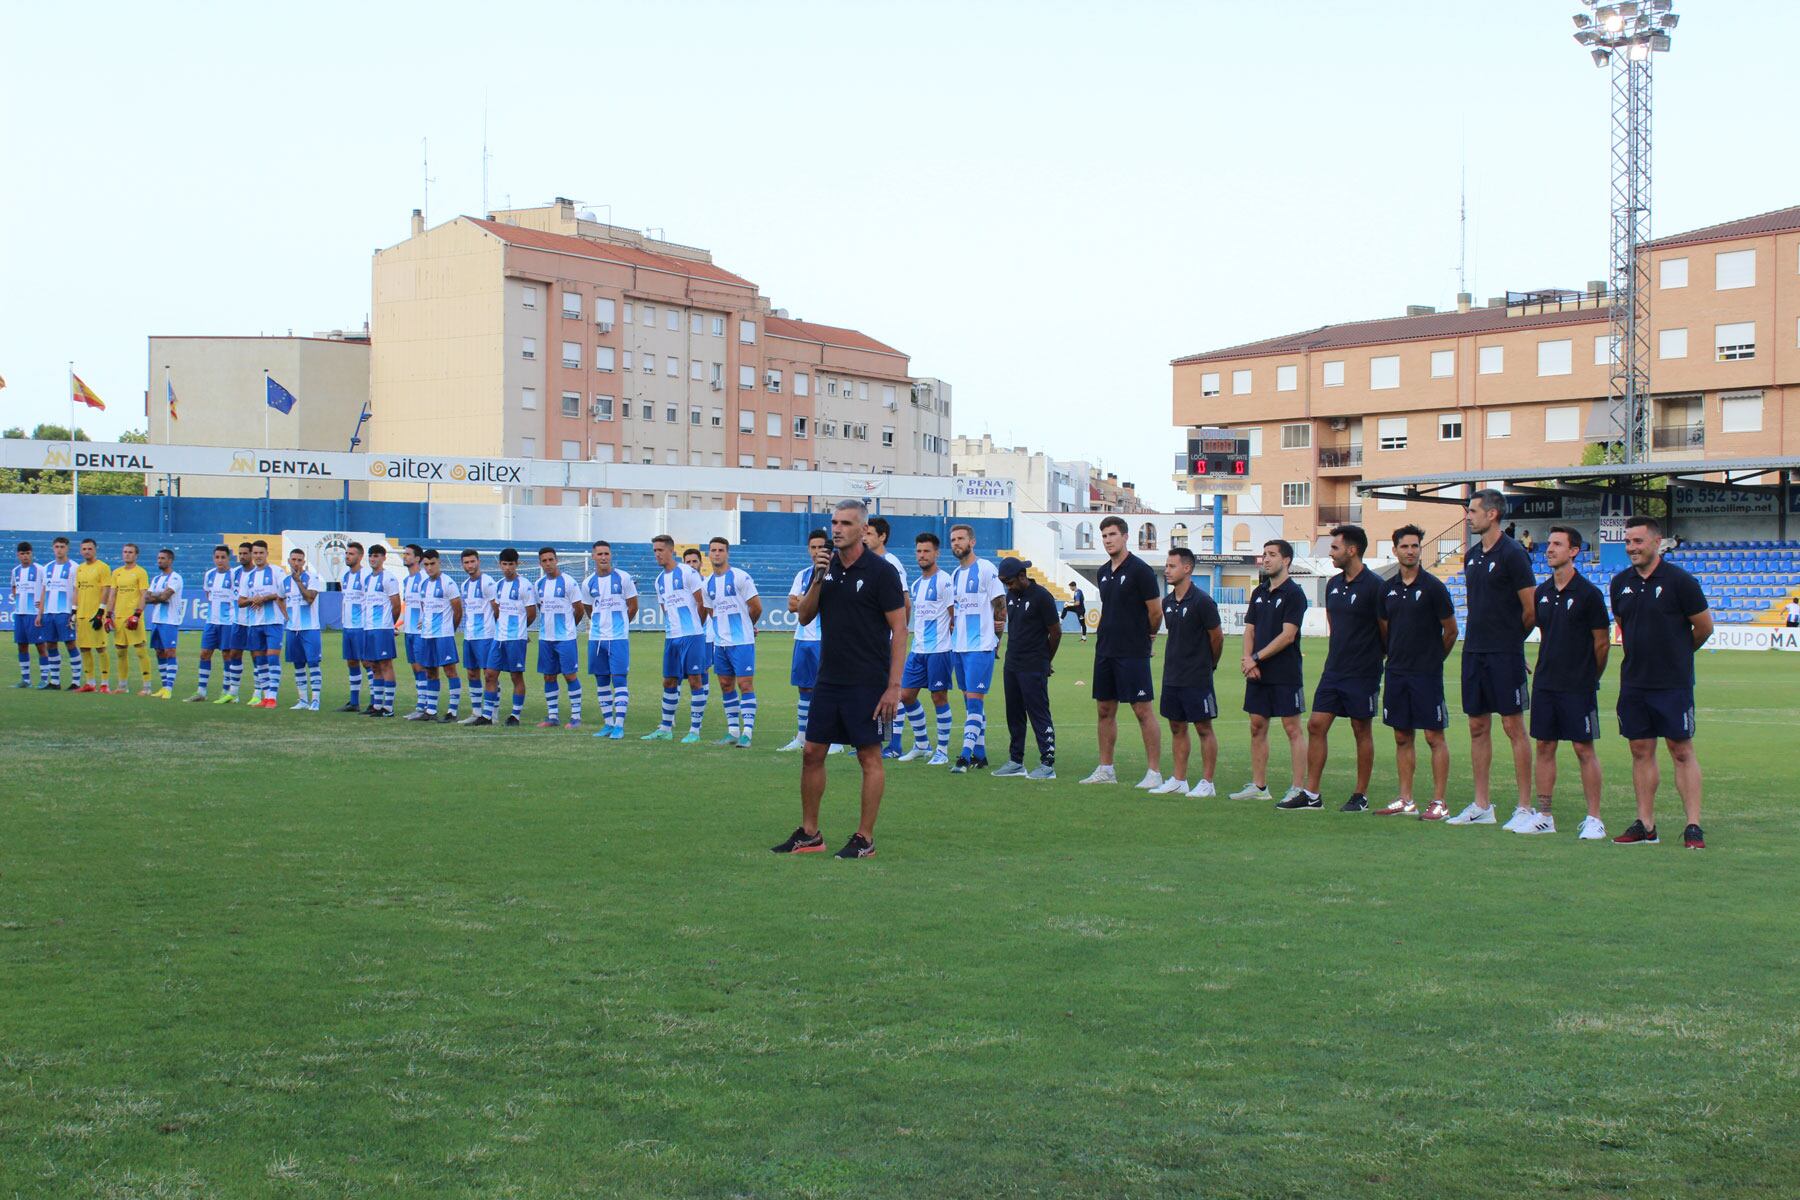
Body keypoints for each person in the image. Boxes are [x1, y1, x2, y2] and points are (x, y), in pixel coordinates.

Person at [772, 498, 906, 859]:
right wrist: (818, 576)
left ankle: (865, 838)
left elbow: (900, 629)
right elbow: (804, 618)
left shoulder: (882, 572)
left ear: (863, 530)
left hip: (868, 681)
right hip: (829, 678)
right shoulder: (823, 570)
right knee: (812, 752)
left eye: (845, 523)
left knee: (868, 757)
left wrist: (894, 687)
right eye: (834, 522)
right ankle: (810, 834)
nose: (837, 529)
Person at [1610, 515, 1712, 849]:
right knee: (1640, 749)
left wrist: (1679, 655)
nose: (1631, 548)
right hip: (1635, 682)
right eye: (1627, 542)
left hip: (1672, 683)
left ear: (1657, 542)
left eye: (1638, 541)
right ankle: (1646, 825)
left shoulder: (1681, 582)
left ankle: (1693, 826)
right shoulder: (1619, 582)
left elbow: (1703, 627)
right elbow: (1623, 623)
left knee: (1680, 750)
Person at [1446, 489, 1537, 827]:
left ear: (1493, 514)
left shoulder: (1513, 553)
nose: (1468, 516)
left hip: (1504, 654)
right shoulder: (1472, 555)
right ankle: (1482, 805)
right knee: (1476, 725)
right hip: (1474, 652)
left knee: (1513, 726)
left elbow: (1531, 610)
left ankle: (1525, 807)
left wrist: (1512, 645)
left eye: (1472, 511)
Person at [1292, 524, 1384, 812]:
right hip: (1334, 670)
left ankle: (1360, 795)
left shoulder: (1375, 586)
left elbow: (1386, 632)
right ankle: (1312, 794)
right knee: (1316, 724)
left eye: (1335, 547)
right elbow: (1334, 625)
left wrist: (1373, 660)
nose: (1331, 553)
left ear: (1352, 550)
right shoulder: (1333, 584)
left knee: (1361, 728)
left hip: (1364, 671)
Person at [1528, 526, 1610, 838]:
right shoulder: (1542, 592)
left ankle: (1594, 818)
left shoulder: (1589, 594)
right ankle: (1544, 815)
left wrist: (1589, 677)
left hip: (1578, 685)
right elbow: (1546, 635)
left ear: (1574, 551)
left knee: (1582, 748)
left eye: (1557, 544)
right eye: (1549, 543)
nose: (1549, 549)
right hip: (1546, 683)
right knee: (1545, 746)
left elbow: (1601, 644)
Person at [1374, 525, 1458, 819]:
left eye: (1415, 546)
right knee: (1401, 736)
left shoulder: (1434, 587)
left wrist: (1433, 660)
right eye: (1405, 546)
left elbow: (1451, 631)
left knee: (1434, 737)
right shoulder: (1387, 589)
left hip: (1426, 675)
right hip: (1397, 673)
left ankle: (1439, 801)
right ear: (1395, 550)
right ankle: (1406, 799)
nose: (1410, 551)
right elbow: (1385, 631)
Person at [1080, 515, 1164, 788]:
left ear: (1125, 536)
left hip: (1133, 651)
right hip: (1106, 650)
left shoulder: (1141, 570)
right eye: (1104, 536)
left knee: (1142, 710)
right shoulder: (1103, 572)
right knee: (1104, 709)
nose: (1108, 540)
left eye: (1112, 534)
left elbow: (1155, 611)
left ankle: (1154, 772)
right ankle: (1106, 769)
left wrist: (1148, 638)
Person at [1230, 539, 1308, 802]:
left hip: (1285, 672)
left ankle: (1298, 788)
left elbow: (1288, 636)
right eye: (1264, 554)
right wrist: (1247, 659)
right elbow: (1250, 628)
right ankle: (1259, 786)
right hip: (1257, 672)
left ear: (1286, 560)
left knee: (1292, 728)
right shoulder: (1260, 592)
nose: (1266, 559)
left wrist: (1255, 658)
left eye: (1272, 554)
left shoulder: (1294, 594)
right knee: (1257, 726)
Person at [1151, 547, 1223, 797]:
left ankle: (1207, 783)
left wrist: (1208, 665)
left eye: (1172, 566)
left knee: (1203, 728)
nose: (1167, 570)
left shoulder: (1203, 601)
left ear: (1187, 568)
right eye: (1167, 566)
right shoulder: (1167, 602)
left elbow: (1216, 638)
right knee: (1176, 726)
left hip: (1197, 676)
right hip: (1173, 675)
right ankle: (1179, 779)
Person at [994, 557, 1061, 780]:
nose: (1008, 587)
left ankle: (1047, 763)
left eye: (1010, 582)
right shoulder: (1011, 596)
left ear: (1022, 576)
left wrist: (1045, 660)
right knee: (1014, 713)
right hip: (1012, 663)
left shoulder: (1042, 597)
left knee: (1038, 713)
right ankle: (1016, 761)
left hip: (1034, 664)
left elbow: (1055, 632)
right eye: (1004, 583)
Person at [946, 523, 1005, 773]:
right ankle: (980, 755)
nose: (956, 543)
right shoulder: (955, 575)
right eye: (953, 539)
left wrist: (996, 641)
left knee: (974, 702)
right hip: (959, 648)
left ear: (972, 542)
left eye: (961, 538)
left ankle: (964, 756)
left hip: (980, 647)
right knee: (970, 702)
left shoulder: (986, 569)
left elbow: (1001, 607)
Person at [896, 531, 956, 764]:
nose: (922, 555)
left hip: (939, 651)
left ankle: (942, 750)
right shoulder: (916, 583)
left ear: (936, 553)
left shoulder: (945, 580)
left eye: (926, 551)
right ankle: (922, 744)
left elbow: (955, 617)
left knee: (939, 697)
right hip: (918, 650)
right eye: (919, 551)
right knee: (906, 695)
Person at [644, 535, 709, 742]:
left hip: (692, 636)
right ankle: (665, 728)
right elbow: (665, 609)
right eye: (654, 550)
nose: (657, 554)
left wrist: (694, 628)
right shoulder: (658, 580)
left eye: (660, 550)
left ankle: (694, 731)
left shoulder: (688, 573)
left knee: (695, 680)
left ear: (671, 551)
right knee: (669, 680)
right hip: (672, 637)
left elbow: (703, 603)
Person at [704, 538, 763, 747]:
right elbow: (711, 612)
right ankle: (732, 731)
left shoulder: (740, 577)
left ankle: (747, 732)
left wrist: (748, 625)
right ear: (709, 554)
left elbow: (756, 607)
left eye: (721, 550)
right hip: (720, 644)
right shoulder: (707, 583)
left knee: (745, 684)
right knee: (725, 684)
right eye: (713, 550)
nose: (717, 554)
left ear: (727, 553)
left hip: (742, 643)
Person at [780, 529, 831, 752]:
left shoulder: (834, 574)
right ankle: (802, 737)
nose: (817, 551)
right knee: (804, 689)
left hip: (825, 640)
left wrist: (804, 600)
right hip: (802, 638)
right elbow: (791, 605)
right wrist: (807, 601)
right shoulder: (802, 575)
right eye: (813, 547)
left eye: (821, 547)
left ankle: (834, 740)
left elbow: (825, 604)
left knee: (827, 689)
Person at [583, 540, 638, 738]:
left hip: (618, 639)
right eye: (600, 554)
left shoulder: (624, 578)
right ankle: (608, 723)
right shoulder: (588, 583)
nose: (604, 557)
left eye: (606, 553)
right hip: (596, 639)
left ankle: (619, 726)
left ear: (611, 555)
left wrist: (621, 625)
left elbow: (633, 606)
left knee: (620, 679)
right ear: (593, 557)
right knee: (602, 680)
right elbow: (589, 608)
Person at [534, 547, 586, 729]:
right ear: (540, 563)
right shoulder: (539, 584)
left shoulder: (569, 582)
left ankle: (576, 717)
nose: (548, 563)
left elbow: (579, 610)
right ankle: (553, 716)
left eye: (550, 560)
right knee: (548, 676)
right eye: (544, 561)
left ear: (556, 560)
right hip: (545, 638)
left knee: (569, 675)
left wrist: (569, 628)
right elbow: (541, 608)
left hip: (565, 639)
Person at [485, 548, 535, 726]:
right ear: (499, 565)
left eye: (511, 564)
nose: (507, 568)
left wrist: (520, 631)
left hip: (516, 639)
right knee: (490, 674)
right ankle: (487, 715)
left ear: (517, 564)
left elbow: (531, 614)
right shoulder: (498, 585)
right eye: (504, 564)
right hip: (498, 638)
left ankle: (515, 715)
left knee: (516, 676)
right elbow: (498, 611)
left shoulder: (525, 585)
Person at [236, 540, 285, 709]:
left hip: (273, 622)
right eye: (255, 553)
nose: (257, 556)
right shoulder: (248, 576)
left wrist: (263, 598)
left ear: (267, 553)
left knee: (272, 658)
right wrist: (252, 599)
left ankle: (272, 697)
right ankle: (265, 696)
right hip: (254, 623)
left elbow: (282, 593)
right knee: (259, 661)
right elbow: (240, 601)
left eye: (260, 553)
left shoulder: (277, 572)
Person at [106, 542, 155, 696]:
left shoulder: (140, 572)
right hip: (119, 618)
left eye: (130, 552)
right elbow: (112, 595)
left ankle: (147, 687)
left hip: (133, 617)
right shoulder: (117, 573)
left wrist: (137, 614)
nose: (127, 554)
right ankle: (122, 685)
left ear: (136, 555)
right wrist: (108, 615)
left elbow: (144, 595)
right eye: (125, 552)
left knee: (140, 651)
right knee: (120, 652)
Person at [456, 550, 498, 726]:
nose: (469, 565)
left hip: (486, 636)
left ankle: (492, 714)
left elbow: (497, 608)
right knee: (472, 673)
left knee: (490, 675)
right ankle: (476, 712)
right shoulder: (465, 585)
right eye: (466, 562)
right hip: (470, 635)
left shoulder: (487, 582)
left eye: (472, 561)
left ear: (479, 562)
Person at [189, 546, 236, 702]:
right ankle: (201, 692)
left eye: (223, 557)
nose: (220, 560)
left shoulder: (234, 574)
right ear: (213, 558)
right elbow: (208, 595)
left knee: (226, 655)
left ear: (228, 558)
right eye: (217, 557)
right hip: (211, 621)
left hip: (228, 622)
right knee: (204, 653)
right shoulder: (209, 574)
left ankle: (226, 691)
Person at [362, 544, 403, 717]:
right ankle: (378, 706)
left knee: (386, 665)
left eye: (377, 556)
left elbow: (396, 605)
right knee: (374, 665)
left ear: (384, 558)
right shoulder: (367, 579)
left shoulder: (389, 578)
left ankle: (388, 707)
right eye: (371, 556)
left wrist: (389, 626)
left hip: (382, 629)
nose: (373, 559)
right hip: (369, 627)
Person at [280, 548, 323, 711]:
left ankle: (316, 700)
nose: (296, 563)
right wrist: (286, 616)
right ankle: (303, 699)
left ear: (304, 562)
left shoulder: (311, 578)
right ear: (289, 561)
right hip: (292, 629)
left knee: (313, 663)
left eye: (299, 560)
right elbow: (279, 598)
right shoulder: (284, 581)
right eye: (293, 560)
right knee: (298, 665)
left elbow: (310, 598)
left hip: (310, 628)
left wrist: (298, 581)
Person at [73, 537, 113, 693]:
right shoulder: (80, 568)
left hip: (96, 614)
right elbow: (77, 590)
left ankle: (104, 684)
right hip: (82, 614)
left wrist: (101, 611)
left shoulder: (103, 567)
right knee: (84, 648)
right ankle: (90, 683)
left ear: (95, 550)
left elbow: (106, 589)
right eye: (84, 549)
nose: (87, 551)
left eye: (89, 549)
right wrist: (73, 611)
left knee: (100, 648)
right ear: (81, 551)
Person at [142, 548, 183, 699]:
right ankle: (163, 685)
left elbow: (166, 597)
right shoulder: (156, 579)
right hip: (156, 620)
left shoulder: (176, 578)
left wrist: (156, 596)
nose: (159, 561)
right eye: (158, 558)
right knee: (159, 652)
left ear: (170, 560)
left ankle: (169, 688)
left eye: (163, 558)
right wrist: (157, 596)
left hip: (170, 621)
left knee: (170, 652)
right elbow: (146, 598)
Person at [334, 543, 369, 712]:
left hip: (361, 626)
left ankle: (374, 701)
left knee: (368, 663)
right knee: (351, 662)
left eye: (351, 554)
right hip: (347, 627)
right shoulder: (345, 576)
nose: (347, 556)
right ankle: (354, 702)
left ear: (360, 556)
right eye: (346, 553)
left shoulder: (366, 575)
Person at [42, 536, 79, 689]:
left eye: (62, 546)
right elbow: (44, 590)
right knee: (50, 644)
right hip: (49, 612)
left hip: (65, 612)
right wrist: (40, 613)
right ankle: (55, 681)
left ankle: (76, 681)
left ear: (67, 548)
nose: (59, 549)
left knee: (70, 643)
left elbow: (77, 590)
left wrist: (74, 611)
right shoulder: (47, 568)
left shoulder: (74, 567)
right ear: (53, 548)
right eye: (56, 546)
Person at [11, 542, 48, 689]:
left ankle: (44, 679)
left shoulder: (40, 569)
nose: (25, 556)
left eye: (27, 553)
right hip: (20, 614)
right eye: (22, 554)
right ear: (18, 555)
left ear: (31, 554)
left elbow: (47, 587)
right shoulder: (16, 571)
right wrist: (17, 598)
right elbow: (14, 586)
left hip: (34, 614)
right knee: (22, 646)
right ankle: (26, 680)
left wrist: (41, 606)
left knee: (40, 646)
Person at [400, 544, 428, 716]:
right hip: (409, 631)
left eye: (408, 554)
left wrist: (426, 620)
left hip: (421, 632)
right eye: (404, 554)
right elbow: (407, 605)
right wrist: (399, 625)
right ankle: (420, 704)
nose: (405, 557)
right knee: (414, 668)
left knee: (421, 668)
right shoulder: (407, 580)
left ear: (418, 558)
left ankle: (425, 706)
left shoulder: (424, 578)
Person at [231, 542, 259, 703]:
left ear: (252, 555)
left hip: (255, 621)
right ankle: (234, 693)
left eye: (245, 553)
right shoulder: (235, 573)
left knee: (256, 656)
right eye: (240, 553)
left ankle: (257, 693)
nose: (242, 556)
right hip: (238, 620)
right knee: (235, 653)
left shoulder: (258, 573)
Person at [864, 516, 910, 588]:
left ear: (882, 536)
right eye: (863, 534)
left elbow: (904, 596)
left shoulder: (891, 562)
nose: (864, 538)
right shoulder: (865, 562)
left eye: (869, 534)